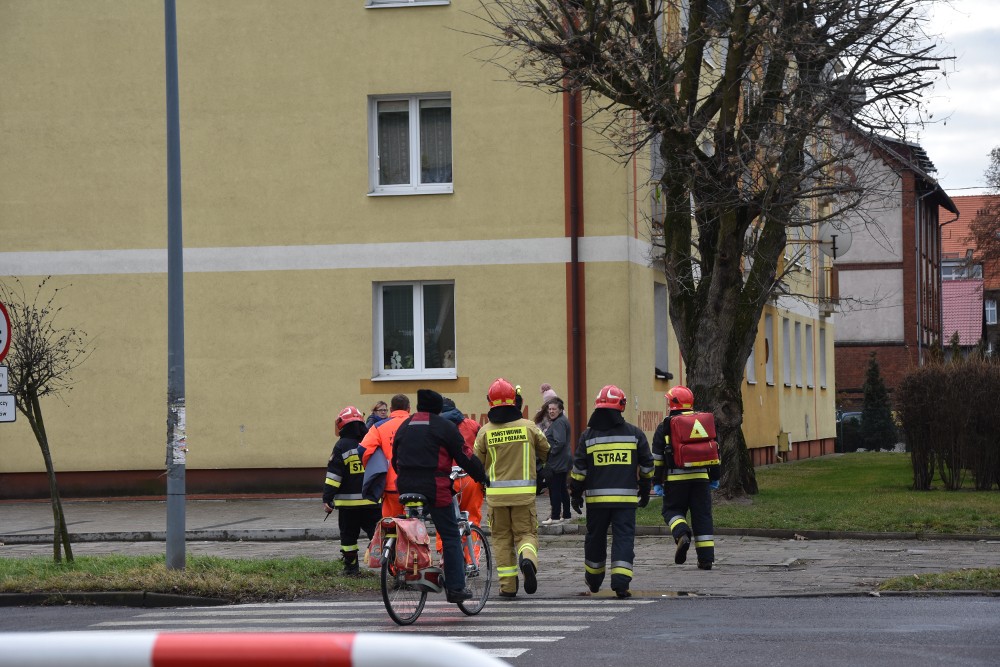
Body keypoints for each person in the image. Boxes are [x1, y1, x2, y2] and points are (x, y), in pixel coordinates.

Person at [392, 389, 488, 604]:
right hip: (435, 487)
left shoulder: (405, 426)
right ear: (437, 409)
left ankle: (411, 568)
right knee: (451, 534)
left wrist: (406, 477)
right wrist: (481, 476)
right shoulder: (444, 426)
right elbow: (465, 456)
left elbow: (394, 458)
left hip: (405, 485)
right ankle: (455, 588)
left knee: (414, 527)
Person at [569, 384, 654, 598]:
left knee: (595, 539)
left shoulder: (588, 437)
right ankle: (621, 583)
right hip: (625, 501)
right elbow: (647, 466)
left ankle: (594, 581)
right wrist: (645, 491)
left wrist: (575, 494)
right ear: (621, 406)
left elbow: (579, 471)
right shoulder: (635, 434)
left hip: (597, 502)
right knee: (624, 538)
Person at [474, 378, 550, 598]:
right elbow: (547, 451)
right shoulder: (528, 427)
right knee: (526, 534)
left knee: (501, 540)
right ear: (513, 400)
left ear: (490, 402)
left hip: (496, 499)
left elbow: (476, 464)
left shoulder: (485, 432)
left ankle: (508, 587)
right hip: (524, 498)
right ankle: (527, 560)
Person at [651, 385, 719, 570]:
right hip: (701, 479)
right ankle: (706, 560)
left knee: (671, 511)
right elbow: (714, 452)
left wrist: (657, 481)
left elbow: (658, 459)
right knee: (702, 516)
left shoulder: (665, 425)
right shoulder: (703, 422)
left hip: (676, 480)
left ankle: (682, 534)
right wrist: (714, 477)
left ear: (672, 403)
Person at [322, 406, 381, 575]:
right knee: (377, 535)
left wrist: (328, 498)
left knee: (348, 537)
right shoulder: (370, 442)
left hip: (348, 505)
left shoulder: (342, 445)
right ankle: (389, 565)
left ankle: (351, 568)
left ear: (342, 425)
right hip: (372, 501)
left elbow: (334, 476)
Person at [360, 394, 410, 519]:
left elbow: (363, 449)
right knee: (413, 524)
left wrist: (375, 468)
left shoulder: (379, 427)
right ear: (408, 409)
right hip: (415, 484)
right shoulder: (417, 424)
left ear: (391, 410)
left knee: (391, 524)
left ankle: (392, 538)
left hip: (390, 484)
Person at [537, 395, 572, 525]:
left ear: (560, 410)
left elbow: (560, 442)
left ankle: (555, 516)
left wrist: (549, 452)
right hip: (563, 460)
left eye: (554, 409)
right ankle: (566, 514)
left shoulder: (559, 423)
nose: (551, 411)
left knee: (555, 488)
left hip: (557, 461)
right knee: (562, 488)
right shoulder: (562, 421)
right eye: (549, 409)